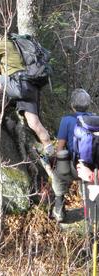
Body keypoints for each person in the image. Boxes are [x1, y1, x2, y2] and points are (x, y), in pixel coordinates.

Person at [51, 88, 93, 222]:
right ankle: (91, 211)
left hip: (73, 167)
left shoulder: (67, 120)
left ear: (72, 105)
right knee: (88, 182)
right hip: (92, 167)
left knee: (57, 176)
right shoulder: (95, 118)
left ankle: (59, 209)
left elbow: (60, 146)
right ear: (88, 104)